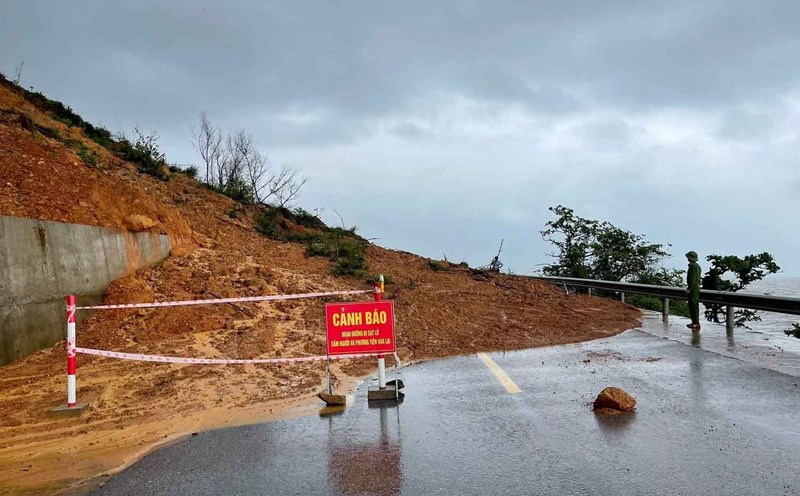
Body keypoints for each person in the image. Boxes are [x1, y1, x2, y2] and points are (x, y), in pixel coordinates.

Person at [686, 251, 701, 330]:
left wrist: (689, 288)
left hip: (693, 287)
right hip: (697, 286)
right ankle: (695, 322)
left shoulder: (692, 266)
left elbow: (692, 279)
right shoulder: (698, 266)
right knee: (695, 304)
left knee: (692, 304)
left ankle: (695, 322)